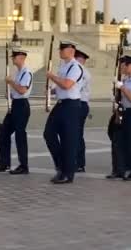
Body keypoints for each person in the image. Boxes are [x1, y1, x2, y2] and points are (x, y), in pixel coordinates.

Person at [43, 40, 83, 184]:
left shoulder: (75, 67)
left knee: (68, 140)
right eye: (60, 49)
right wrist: (51, 90)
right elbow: (61, 86)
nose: (60, 51)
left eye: (63, 49)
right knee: (48, 133)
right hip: (61, 104)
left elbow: (67, 85)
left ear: (72, 51)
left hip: (71, 106)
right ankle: (60, 165)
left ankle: (68, 173)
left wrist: (51, 76)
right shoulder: (63, 66)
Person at [0, 48, 32, 175]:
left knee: (20, 136)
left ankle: (23, 166)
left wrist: (11, 82)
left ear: (21, 58)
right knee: (3, 132)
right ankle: (4, 163)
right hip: (14, 105)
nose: (13, 59)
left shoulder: (27, 72)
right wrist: (9, 93)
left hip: (22, 106)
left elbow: (22, 90)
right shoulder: (18, 73)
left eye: (14, 57)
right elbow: (16, 90)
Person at [73, 49, 91, 173]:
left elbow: (74, 87)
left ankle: (79, 163)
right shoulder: (78, 70)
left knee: (77, 134)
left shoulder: (82, 72)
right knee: (74, 134)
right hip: (77, 104)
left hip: (80, 104)